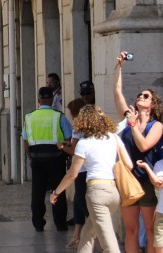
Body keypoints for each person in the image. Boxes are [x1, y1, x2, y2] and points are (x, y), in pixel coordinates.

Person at [50, 104, 133, 253]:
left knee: (109, 245)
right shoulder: (114, 138)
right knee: (87, 233)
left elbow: (72, 174)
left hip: (96, 193)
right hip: (113, 192)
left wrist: (56, 192)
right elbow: (129, 165)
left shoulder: (84, 144)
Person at [114, 50, 163, 253]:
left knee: (151, 229)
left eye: (146, 96)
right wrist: (119, 67)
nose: (140, 97)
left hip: (147, 179)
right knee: (131, 229)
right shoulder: (130, 118)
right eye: (139, 95)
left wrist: (133, 124)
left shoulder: (156, 125)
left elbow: (144, 146)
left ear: (153, 104)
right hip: (129, 179)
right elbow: (117, 93)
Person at [23, 86, 73, 232]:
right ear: (51, 100)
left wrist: (30, 157)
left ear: (39, 100)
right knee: (58, 190)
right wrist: (69, 156)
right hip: (56, 159)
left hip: (37, 159)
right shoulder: (59, 116)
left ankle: (38, 224)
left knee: (37, 192)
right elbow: (68, 138)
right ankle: (60, 224)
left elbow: (25, 141)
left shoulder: (29, 117)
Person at [60, 97, 88, 247]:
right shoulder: (92, 126)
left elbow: (74, 151)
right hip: (90, 169)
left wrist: (62, 147)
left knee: (81, 201)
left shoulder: (78, 127)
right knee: (78, 200)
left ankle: (82, 232)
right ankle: (76, 234)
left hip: (81, 169)